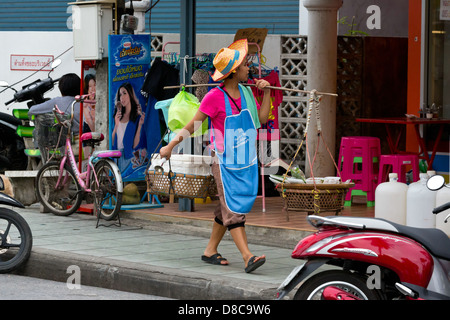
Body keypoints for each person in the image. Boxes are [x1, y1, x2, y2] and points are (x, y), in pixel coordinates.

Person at [159, 39, 272, 273]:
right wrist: (170, 146)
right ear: (232, 72)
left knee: (226, 207)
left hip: (245, 159)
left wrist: (268, 92)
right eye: (243, 65)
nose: (248, 68)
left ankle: (210, 250)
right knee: (233, 208)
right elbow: (192, 126)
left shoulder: (247, 92)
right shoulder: (213, 97)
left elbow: (261, 120)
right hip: (223, 160)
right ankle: (247, 256)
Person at [111, 82, 146, 169]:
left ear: (130, 94)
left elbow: (135, 145)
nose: (122, 97)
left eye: (124, 93)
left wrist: (140, 125)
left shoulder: (136, 117)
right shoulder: (117, 115)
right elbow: (112, 142)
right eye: (120, 95)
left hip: (128, 157)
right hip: (116, 156)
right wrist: (116, 125)